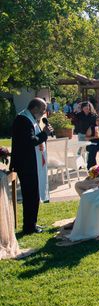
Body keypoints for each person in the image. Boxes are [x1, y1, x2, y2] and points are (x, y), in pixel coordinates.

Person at [9, 98, 52, 234]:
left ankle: (32, 223)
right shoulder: (23, 120)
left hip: (32, 162)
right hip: (26, 163)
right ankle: (29, 227)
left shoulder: (31, 118)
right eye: (42, 110)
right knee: (30, 195)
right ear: (34, 108)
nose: (43, 113)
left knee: (33, 194)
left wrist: (43, 133)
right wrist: (44, 134)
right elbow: (29, 141)